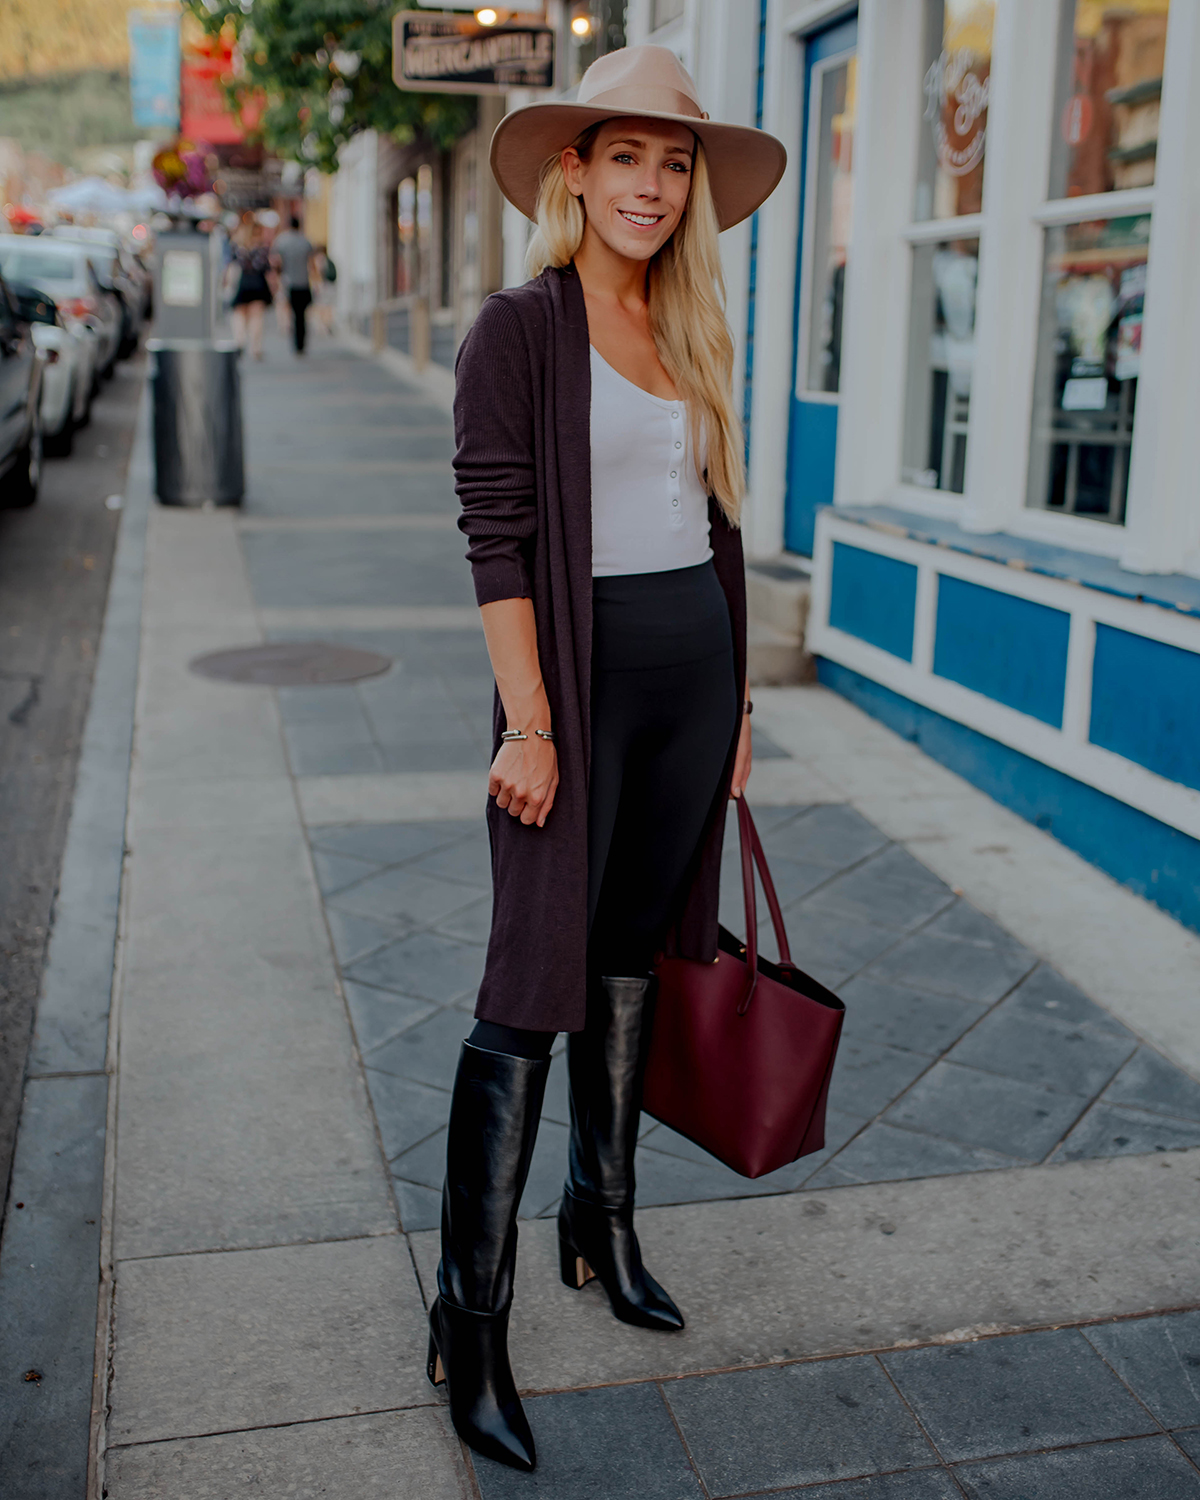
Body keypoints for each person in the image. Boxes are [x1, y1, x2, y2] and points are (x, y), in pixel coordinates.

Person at [427, 45, 786, 1473]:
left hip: (693, 682)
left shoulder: (691, 323)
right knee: (527, 991)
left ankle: (602, 1219)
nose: (652, 184)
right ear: (573, 170)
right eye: (626, 156)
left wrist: (741, 696)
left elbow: (719, 526)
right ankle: (470, 1317)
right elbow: (496, 537)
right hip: (572, 694)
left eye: (675, 160)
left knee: (637, 953)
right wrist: (526, 721)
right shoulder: (519, 329)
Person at [228, 222, 274, 360]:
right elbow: (268, 270)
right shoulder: (262, 249)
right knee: (257, 317)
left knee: (239, 314)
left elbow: (231, 266)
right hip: (258, 283)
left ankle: (239, 341)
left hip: (242, 283)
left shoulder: (237, 248)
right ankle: (255, 348)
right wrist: (274, 287)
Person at [271, 214, 315, 354]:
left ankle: (295, 342)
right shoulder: (305, 241)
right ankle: (301, 344)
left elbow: (275, 262)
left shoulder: (282, 241)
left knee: (291, 314)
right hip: (303, 282)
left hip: (288, 282)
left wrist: (277, 278)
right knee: (302, 315)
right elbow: (311, 263)